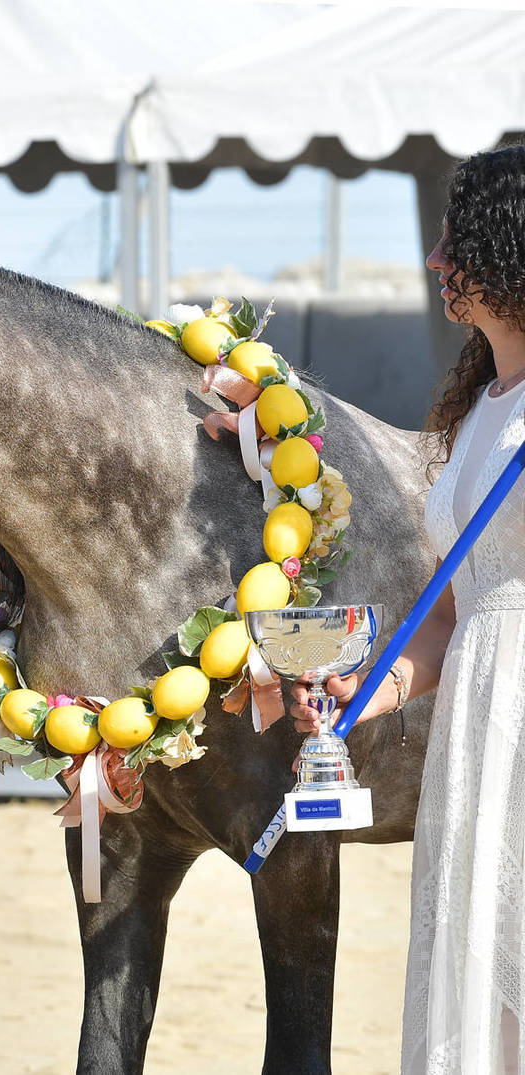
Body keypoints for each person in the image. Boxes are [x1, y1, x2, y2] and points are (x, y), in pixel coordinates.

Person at [291, 146, 525, 1074]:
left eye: (455, 241)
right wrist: (370, 689)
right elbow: (454, 606)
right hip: (476, 712)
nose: (435, 262)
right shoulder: (478, 414)